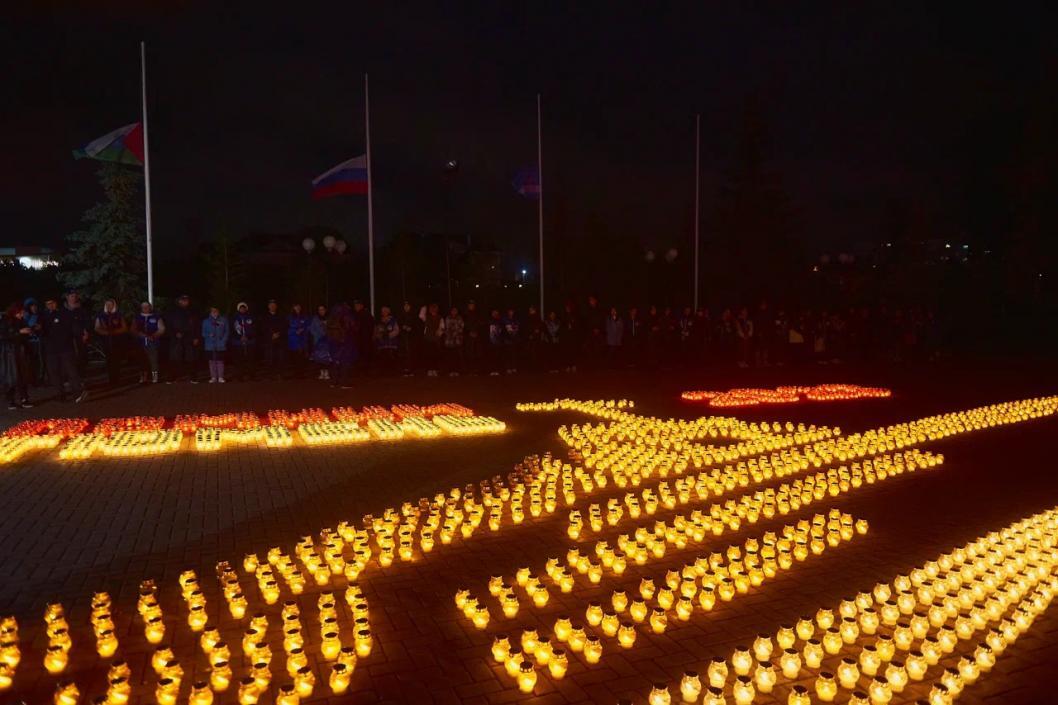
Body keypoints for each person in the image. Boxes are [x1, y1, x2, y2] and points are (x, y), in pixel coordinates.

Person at [41, 294, 88, 402]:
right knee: (54, 373)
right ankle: (60, 394)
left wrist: (81, 333)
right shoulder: (43, 316)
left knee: (71, 370)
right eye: (47, 304)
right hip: (51, 349)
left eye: (52, 303)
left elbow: (74, 327)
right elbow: (41, 330)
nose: (50, 305)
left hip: (65, 348)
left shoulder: (64, 313)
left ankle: (78, 392)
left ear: (56, 303)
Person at [1, 303, 34, 409]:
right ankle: (11, 400)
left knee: (22, 375)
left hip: (20, 351)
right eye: (20, 313)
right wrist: (18, 332)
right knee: (11, 376)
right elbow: (3, 335)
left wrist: (29, 332)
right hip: (9, 352)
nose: (22, 314)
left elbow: (24, 334)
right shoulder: (6, 321)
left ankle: (24, 398)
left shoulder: (21, 321)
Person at [166, 294, 200, 383]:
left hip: (189, 338)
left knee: (191, 358)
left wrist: (196, 337)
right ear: (179, 301)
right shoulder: (173, 312)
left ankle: (193, 377)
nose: (185, 302)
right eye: (183, 300)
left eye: (186, 300)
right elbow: (169, 325)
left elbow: (197, 325)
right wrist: (174, 334)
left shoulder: (192, 311)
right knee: (174, 358)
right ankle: (173, 377)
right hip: (176, 338)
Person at [94, 298, 128, 387]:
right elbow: (97, 328)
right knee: (109, 361)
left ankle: (117, 379)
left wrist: (115, 332)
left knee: (116, 361)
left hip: (117, 341)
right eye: (107, 305)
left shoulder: (119, 315)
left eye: (111, 305)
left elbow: (124, 327)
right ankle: (111, 380)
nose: (109, 306)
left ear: (114, 306)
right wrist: (105, 333)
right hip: (106, 342)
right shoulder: (101, 315)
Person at [131, 302, 165, 383]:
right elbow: (133, 329)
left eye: (147, 306)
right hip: (140, 343)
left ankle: (155, 377)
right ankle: (143, 376)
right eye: (143, 307)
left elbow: (162, 329)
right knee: (141, 360)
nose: (145, 308)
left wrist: (154, 335)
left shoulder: (157, 317)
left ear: (150, 307)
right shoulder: (137, 317)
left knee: (153, 360)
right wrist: (140, 334)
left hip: (153, 342)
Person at [201, 306, 229, 383]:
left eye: (216, 311)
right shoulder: (206, 321)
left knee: (220, 361)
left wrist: (223, 341)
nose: (214, 312)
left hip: (220, 344)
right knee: (211, 361)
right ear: (210, 312)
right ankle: (213, 377)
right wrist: (208, 335)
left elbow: (227, 331)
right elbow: (203, 333)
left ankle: (220, 377)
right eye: (213, 311)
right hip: (209, 345)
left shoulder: (223, 320)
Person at [260, 299, 286, 378]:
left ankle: (279, 374)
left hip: (280, 340)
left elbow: (284, 326)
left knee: (280, 357)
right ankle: (270, 374)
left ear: (276, 306)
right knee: (269, 358)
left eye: (274, 305)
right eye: (271, 305)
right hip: (269, 340)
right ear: (268, 306)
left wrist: (279, 333)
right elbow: (263, 328)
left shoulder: (281, 316)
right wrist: (271, 334)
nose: (272, 306)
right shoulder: (264, 317)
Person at [232, 302, 257, 380]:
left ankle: (251, 375)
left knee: (251, 359)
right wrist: (239, 337)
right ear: (238, 309)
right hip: (238, 342)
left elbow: (255, 328)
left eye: (244, 308)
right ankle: (239, 375)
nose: (242, 309)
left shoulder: (251, 317)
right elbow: (232, 330)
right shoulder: (234, 318)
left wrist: (248, 336)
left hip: (250, 341)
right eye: (241, 308)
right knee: (239, 359)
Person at [373, 305, 399, 374]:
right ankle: (383, 372)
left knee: (391, 357)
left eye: (386, 311)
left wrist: (389, 335)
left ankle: (392, 372)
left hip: (391, 343)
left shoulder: (393, 320)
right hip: (382, 344)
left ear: (389, 312)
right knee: (382, 358)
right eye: (383, 311)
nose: (384, 312)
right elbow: (375, 331)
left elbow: (396, 330)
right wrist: (380, 336)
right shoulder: (379, 321)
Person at [352, 301, 375, 376]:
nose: (356, 307)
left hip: (364, 338)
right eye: (355, 306)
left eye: (357, 306)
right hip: (363, 339)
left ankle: (364, 371)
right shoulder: (358, 315)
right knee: (363, 355)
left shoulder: (363, 314)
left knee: (364, 355)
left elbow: (369, 326)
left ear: (361, 306)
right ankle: (364, 370)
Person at [287, 303, 310, 375]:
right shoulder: (290, 317)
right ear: (293, 308)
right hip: (293, 340)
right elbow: (287, 328)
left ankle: (301, 372)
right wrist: (295, 331)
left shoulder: (304, 317)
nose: (298, 308)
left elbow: (307, 327)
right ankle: (295, 372)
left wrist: (302, 330)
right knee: (295, 356)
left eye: (299, 307)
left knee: (302, 356)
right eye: (296, 307)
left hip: (302, 340)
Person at [309, 304, 331, 380]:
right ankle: (321, 373)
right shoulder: (315, 318)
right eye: (319, 310)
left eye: (322, 309)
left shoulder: (329, 318)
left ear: (325, 310)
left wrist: (326, 329)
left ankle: (327, 372)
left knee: (327, 357)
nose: (321, 311)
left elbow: (332, 328)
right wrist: (317, 335)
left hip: (327, 340)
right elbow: (311, 329)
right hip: (318, 341)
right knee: (319, 357)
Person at [397, 301, 419, 376]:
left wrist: (411, 328)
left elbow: (417, 326)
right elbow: (398, 324)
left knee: (411, 353)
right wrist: (403, 327)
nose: (406, 307)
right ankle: (404, 369)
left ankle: (411, 369)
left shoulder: (414, 315)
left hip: (411, 337)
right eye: (405, 306)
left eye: (408, 306)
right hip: (403, 337)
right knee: (403, 353)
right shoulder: (400, 315)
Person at [463, 300, 484, 374]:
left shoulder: (478, 314)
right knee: (469, 353)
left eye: (473, 304)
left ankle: (477, 370)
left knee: (478, 353)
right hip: (468, 337)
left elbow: (481, 324)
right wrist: (469, 332)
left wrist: (477, 332)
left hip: (477, 336)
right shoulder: (464, 314)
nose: (471, 306)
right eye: (470, 304)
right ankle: (469, 370)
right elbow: (463, 326)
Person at [443, 306, 464, 376]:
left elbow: (461, 327)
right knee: (450, 356)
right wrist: (450, 333)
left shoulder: (460, 318)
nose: (454, 312)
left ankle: (457, 370)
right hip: (449, 340)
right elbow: (445, 328)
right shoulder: (448, 318)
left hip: (457, 340)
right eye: (453, 310)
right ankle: (450, 371)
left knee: (457, 356)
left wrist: (456, 332)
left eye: (455, 310)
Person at [502, 307, 520, 374]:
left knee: (514, 354)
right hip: (507, 340)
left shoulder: (516, 320)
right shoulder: (504, 319)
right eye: (510, 311)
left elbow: (518, 330)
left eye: (512, 311)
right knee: (508, 354)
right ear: (508, 312)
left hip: (514, 339)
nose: (511, 312)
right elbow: (503, 330)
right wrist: (506, 337)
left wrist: (516, 338)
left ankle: (514, 367)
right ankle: (508, 368)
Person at [487, 309, 504, 376]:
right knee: (491, 356)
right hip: (491, 342)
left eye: (497, 313)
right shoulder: (489, 321)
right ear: (492, 314)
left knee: (498, 356)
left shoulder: (501, 321)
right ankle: (491, 370)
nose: (495, 314)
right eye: (494, 313)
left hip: (499, 342)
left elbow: (503, 332)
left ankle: (497, 370)